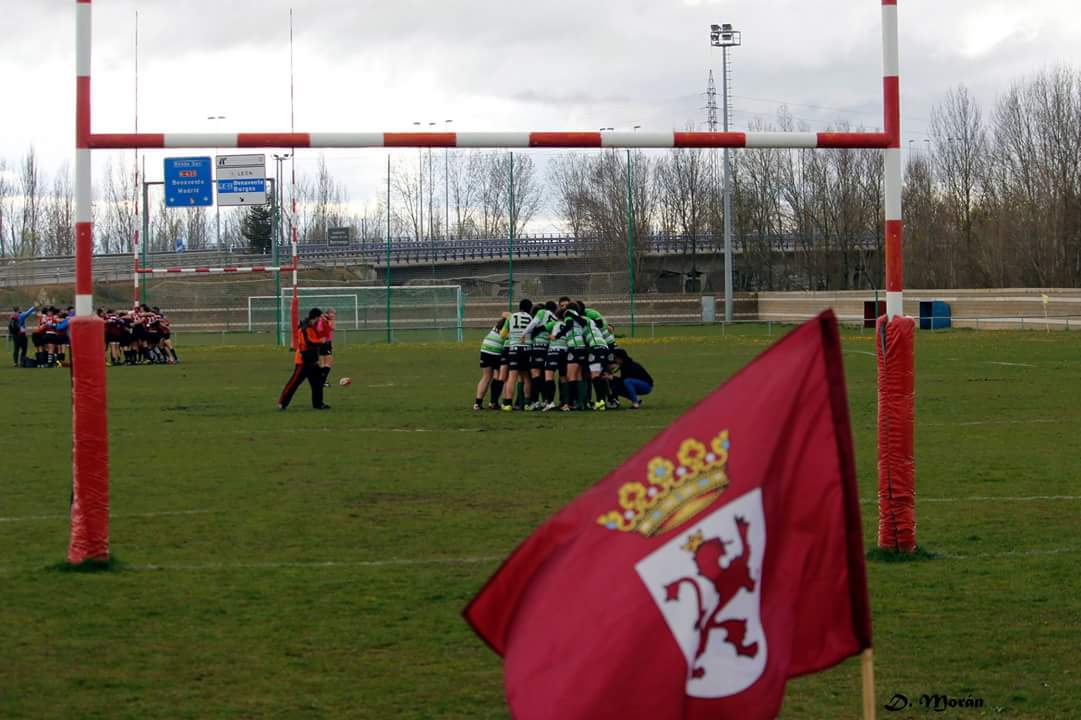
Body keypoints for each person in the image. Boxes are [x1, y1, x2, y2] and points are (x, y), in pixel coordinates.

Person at [277, 308, 331, 411]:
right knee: (294, 383)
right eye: (320, 317)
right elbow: (309, 342)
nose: (320, 319)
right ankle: (282, 403)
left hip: (313, 360)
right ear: (316, 317)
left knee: (317, 383)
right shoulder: (305, 328)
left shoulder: (313, 327)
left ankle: (318, 404)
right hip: (303, 361)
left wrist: (326, 323)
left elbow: (324, 334)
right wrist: (320, 341)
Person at [501, 298, 534, 411]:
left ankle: (508, 404)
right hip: (527, 348)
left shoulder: (511, 317)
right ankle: (526, 404)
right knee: (526, 377)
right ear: (530, 309)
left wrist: (511, 336)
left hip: (514, 348)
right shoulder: (531, 318)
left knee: (512, 376)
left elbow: (503, 334)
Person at [474, 317, 507, 410]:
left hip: (485, 349)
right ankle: (493, 402)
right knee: (498, 376)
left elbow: (504, 314)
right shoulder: (508, 328)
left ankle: (477, 403)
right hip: (496, 351)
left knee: (486, 377)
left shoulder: (497, 326)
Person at [317, 307, 336, 387]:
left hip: (326, 343)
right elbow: (322, 330)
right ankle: (322, 381)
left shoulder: (324, 320)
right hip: (324, 343)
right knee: (327, 363)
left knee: (324, 363)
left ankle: (321, 381)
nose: (334, 315)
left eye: (334, 313)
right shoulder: (325, 321)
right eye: (332, 313)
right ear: (327, 313)